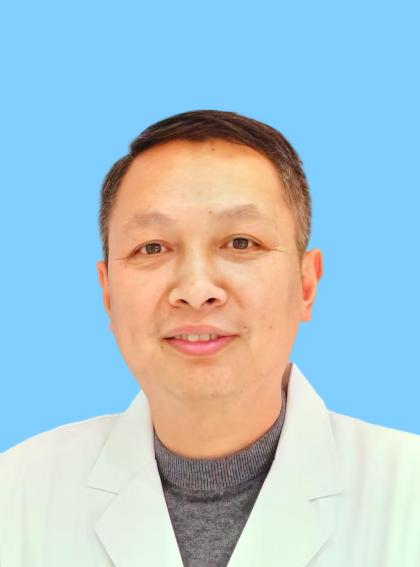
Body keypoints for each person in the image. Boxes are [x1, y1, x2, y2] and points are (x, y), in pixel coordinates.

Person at [0, 110, 419, 567]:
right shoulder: (17, 495)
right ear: (108, 294)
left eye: (241, 243)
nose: (196, 290)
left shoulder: (406, 495)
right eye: (152, 247)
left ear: (305, 285)